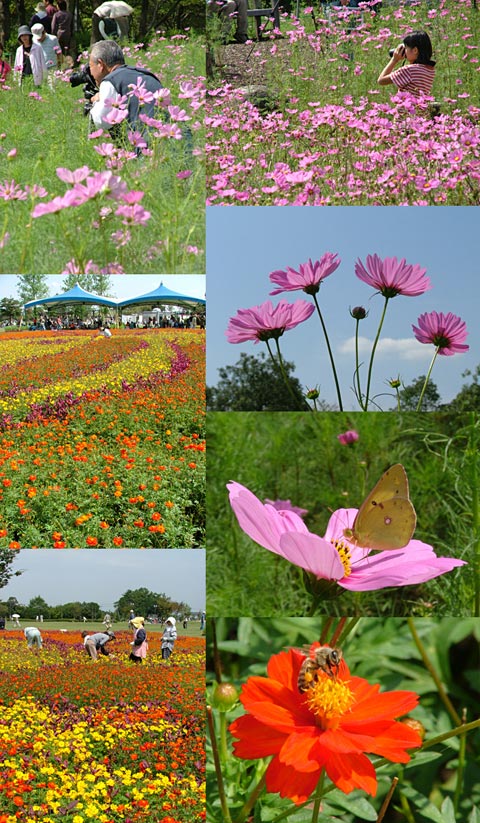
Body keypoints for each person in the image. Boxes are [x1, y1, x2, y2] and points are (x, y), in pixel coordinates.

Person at [88, 41, 163, 135]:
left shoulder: (111, 80)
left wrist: (96, 101)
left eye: (90, 66)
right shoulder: (146, 75)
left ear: (100, 64)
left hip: (150, 143)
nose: (90, 73)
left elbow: (101, 121)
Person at [378, 31, 436, 98]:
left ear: (415, 50)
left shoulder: (409, 70)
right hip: (418, 107)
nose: (404, 51)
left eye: (405, 48)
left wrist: (394, 59)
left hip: (406, 107)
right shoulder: (430, 69)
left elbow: (381, 80)